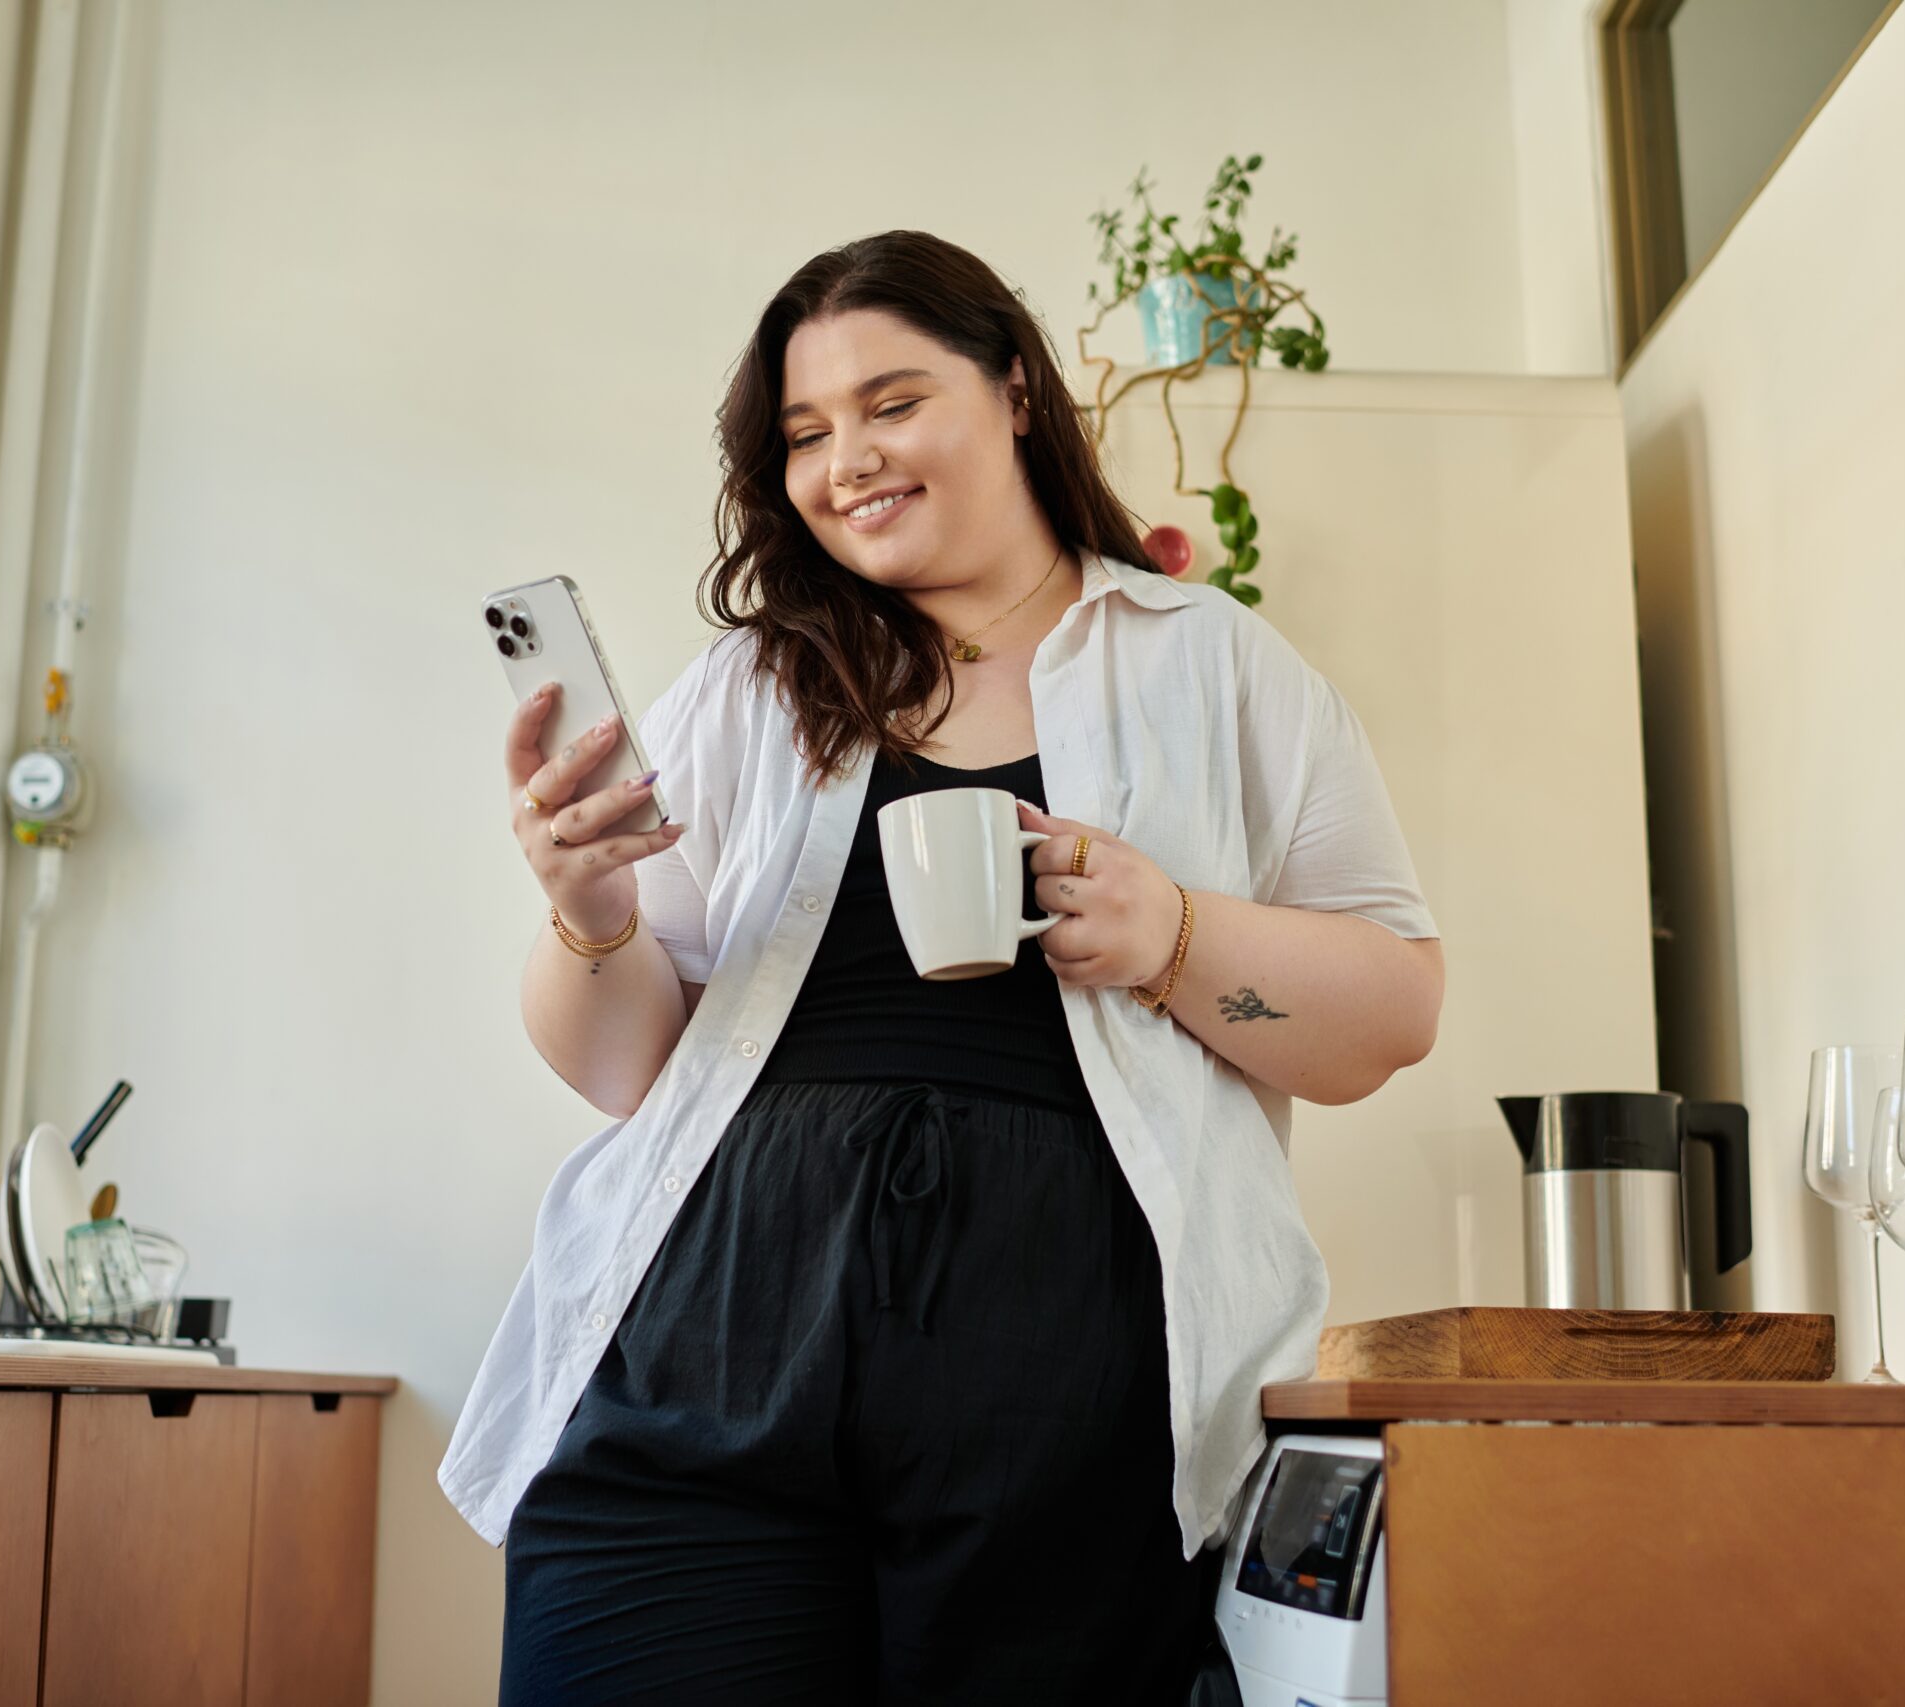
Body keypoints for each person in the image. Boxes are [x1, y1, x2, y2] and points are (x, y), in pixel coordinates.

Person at [444, 229, 1445, 1705]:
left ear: (1018, 390)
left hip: (1068, 1400)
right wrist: (588, 904)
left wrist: (1177, 940)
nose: (847, 457)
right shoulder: (751, 687)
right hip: (710, 1347)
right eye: (803, 431)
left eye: (893, 401)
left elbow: (1389, 1019)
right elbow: (624, 1071)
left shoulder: (1218, 667)